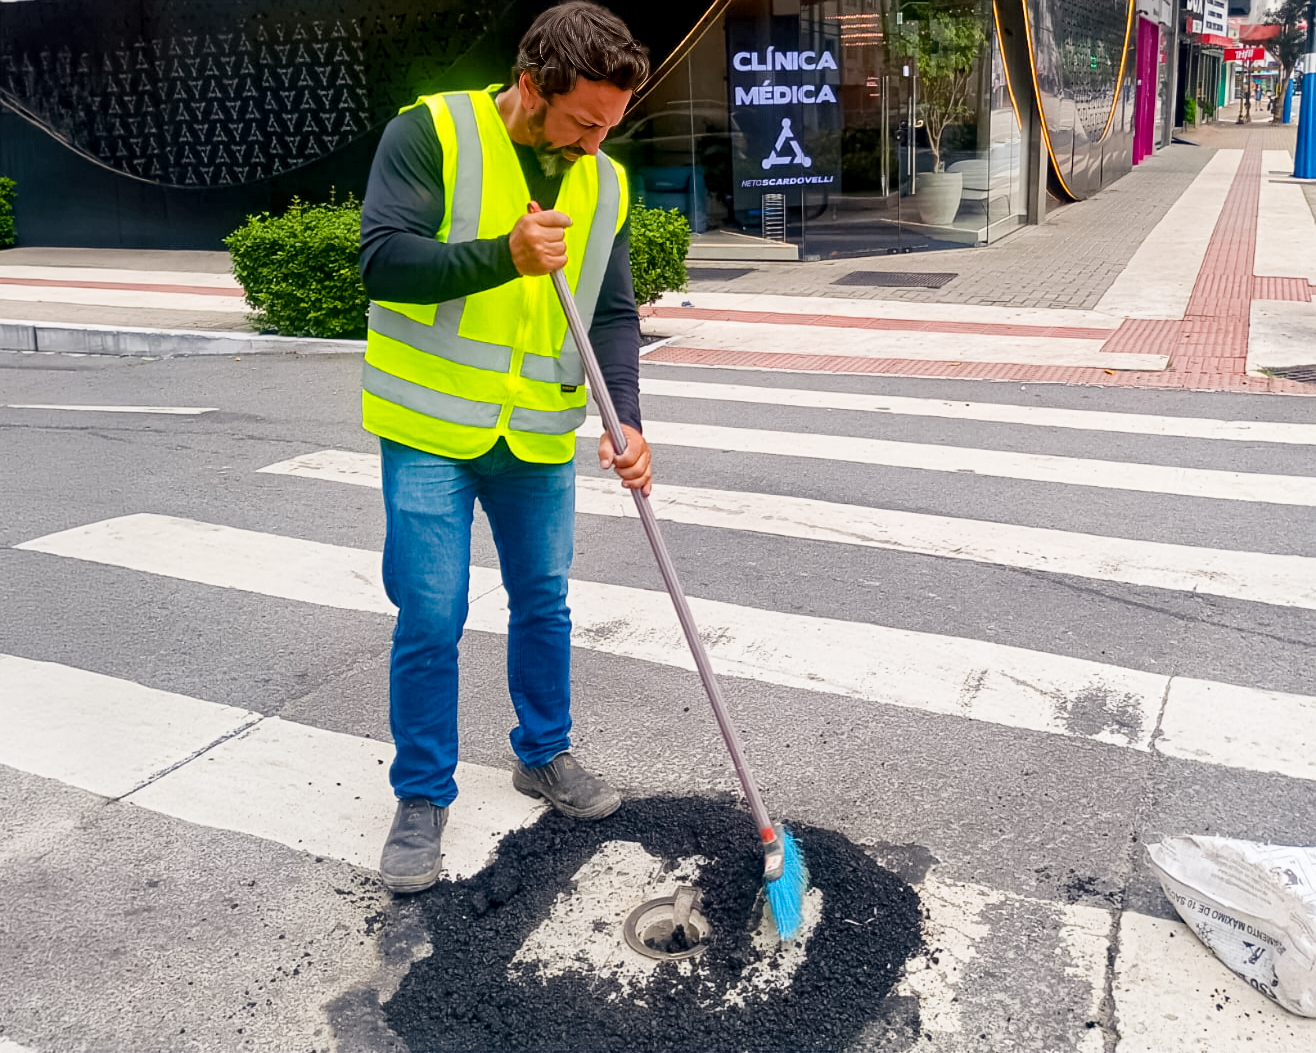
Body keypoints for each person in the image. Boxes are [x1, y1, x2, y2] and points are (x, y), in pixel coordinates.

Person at [358, 1, 652, 894]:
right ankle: (421, 796)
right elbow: (383, 261)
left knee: (545, 602)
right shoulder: (431, 134)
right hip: (430, 431)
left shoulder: (604, 181)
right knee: (431, 614)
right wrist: (503, 256)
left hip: (536, 433)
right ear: (532, 85)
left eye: (611, 125)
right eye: (583, 122)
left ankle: (543, 752)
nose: (596, 143)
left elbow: (611, 311)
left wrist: (627, 418)